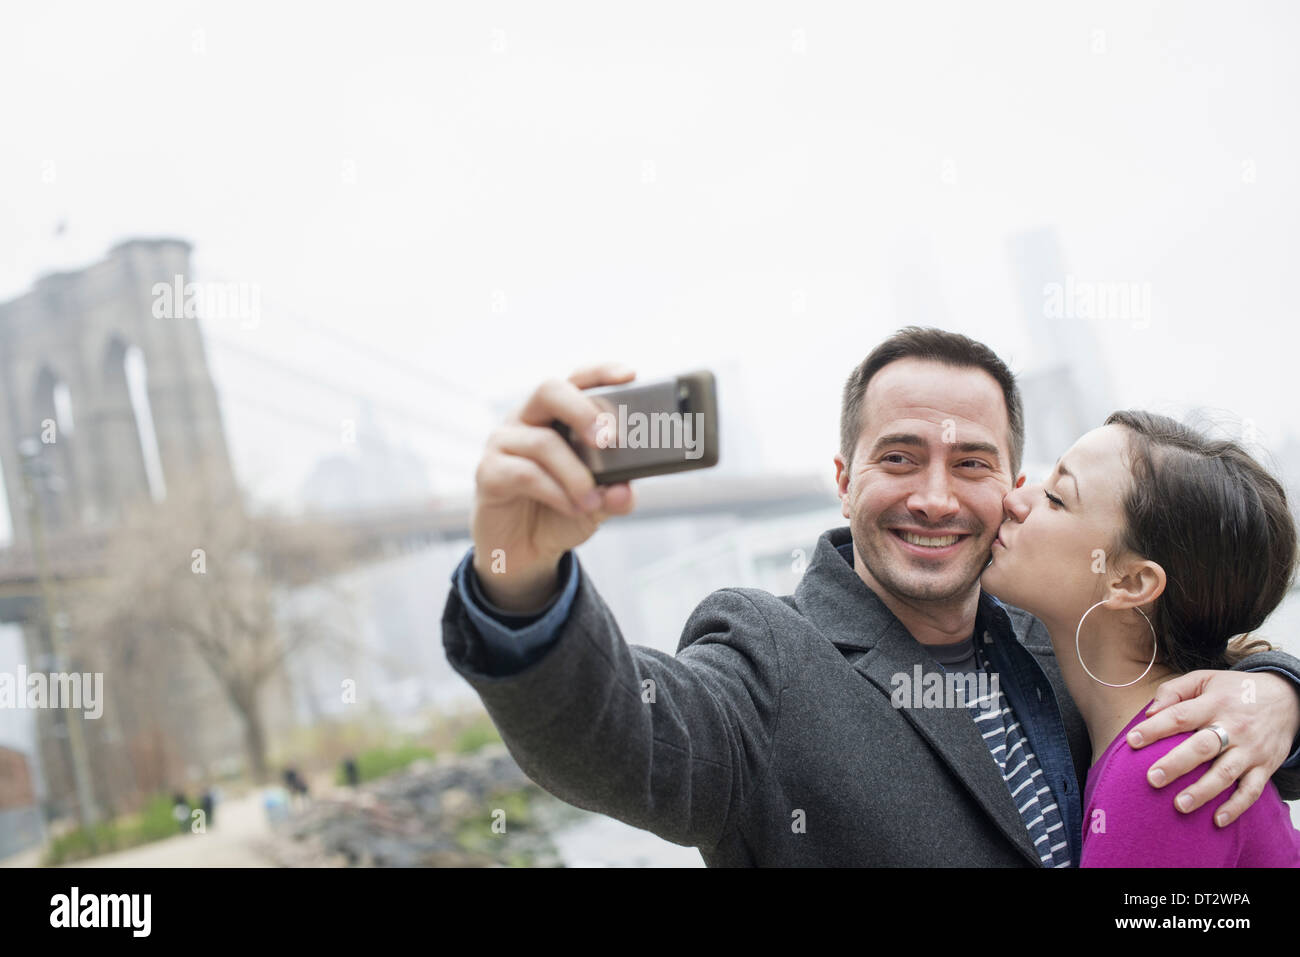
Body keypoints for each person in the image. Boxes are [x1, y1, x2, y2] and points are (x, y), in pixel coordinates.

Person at [442, 327, 1300, 865]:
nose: (934, 495)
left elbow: (1214, 733)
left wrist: (1280, 695)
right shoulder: (767, 660)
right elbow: (620, 737)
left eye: (970, 463)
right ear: (844, 481)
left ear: (1013, 485)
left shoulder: (1068, 633)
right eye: (898, 457)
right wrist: (517, 579)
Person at [982, 411, 1300, 865]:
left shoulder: (1164, 770)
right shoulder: (1155, 747)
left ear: (1131, 583)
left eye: (1056, 497)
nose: (1015, 499)